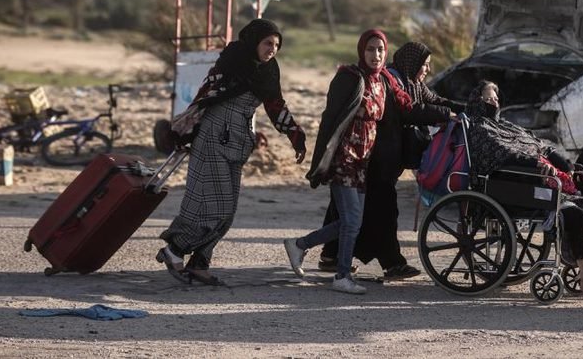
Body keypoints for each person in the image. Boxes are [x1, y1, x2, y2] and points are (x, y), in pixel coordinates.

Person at [156, 19, 306, 285]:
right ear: (254, 41)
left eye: (276, 45)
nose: (272, 49)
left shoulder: (269, 71)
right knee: (214, 204)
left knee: (229, 209)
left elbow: (274, 105)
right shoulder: (232, 61)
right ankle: (175, 249)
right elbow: (206, 95)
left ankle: (200, 263)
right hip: (213, 135)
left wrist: (295, 134)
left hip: (238, 140)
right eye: (267, 43)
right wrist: (184, 131)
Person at [465, 80, 583, 301]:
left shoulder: (506, 125)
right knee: (574, 214)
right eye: (488, 98)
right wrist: (536, 164)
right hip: (516, 186)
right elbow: (505, 155)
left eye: (495, 97)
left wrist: (562, 162)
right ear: (478, 101)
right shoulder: (479, 129)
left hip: (537, 181)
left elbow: (537, 143)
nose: (494, 101)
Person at [283, 29, 413, 294]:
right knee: (352, 220)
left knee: (351, 221)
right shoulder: (350, 78)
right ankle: (341, 276)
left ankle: (299, 245)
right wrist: (320, 160)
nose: (375, 55)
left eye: (380, 50)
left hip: (363, 161)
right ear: (361, 51)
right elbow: (330, 119)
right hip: (344, 158)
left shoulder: (383, 80)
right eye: (370, 49)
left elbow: (405, 107)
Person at [317, 41, 455, 280]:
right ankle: (392, 264)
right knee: (383, 211)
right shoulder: (389, 80)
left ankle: (330, 255)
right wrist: (444, 114)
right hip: (371, 157)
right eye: (425, 65)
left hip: (379, 158)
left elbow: (434, 102)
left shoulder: (411, 83)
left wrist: (467, 109)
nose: (427, 70)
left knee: (349, 211)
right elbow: (410, 111)